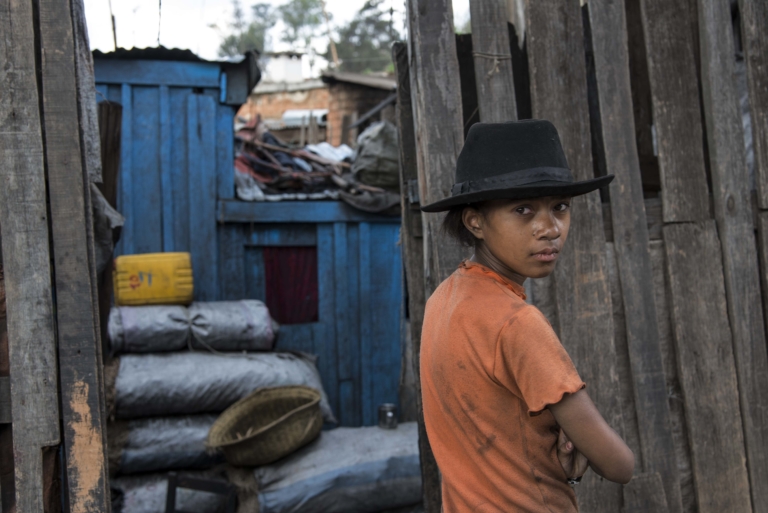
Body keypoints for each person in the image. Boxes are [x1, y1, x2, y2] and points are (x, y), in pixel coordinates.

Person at [419, 120, 634, 512]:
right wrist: (577, 444)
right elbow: (619, 465)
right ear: (474, 221)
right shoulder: (516, 322)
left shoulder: (443, 300)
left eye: (560, 207)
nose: (549, 228)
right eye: (523, 210)